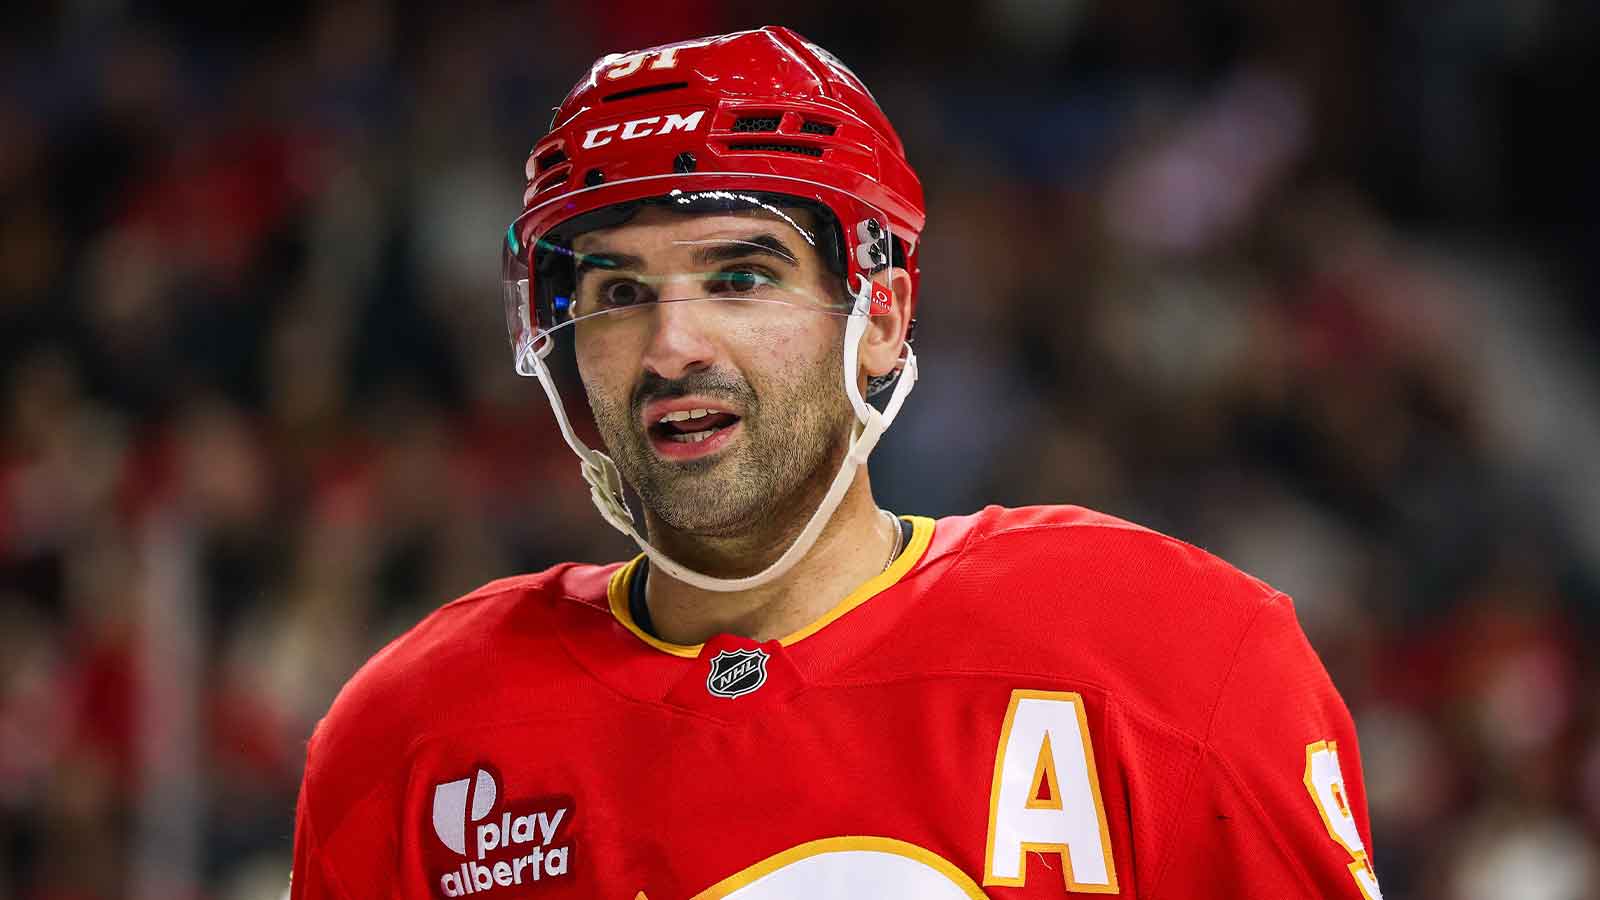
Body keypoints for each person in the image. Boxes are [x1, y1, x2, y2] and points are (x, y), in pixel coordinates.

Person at [289, 26, 1383, 900]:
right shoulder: (416, 738)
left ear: (884, 315)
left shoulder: (1175, 656)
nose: (672, 347)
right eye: (620, 293)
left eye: (740, 277)